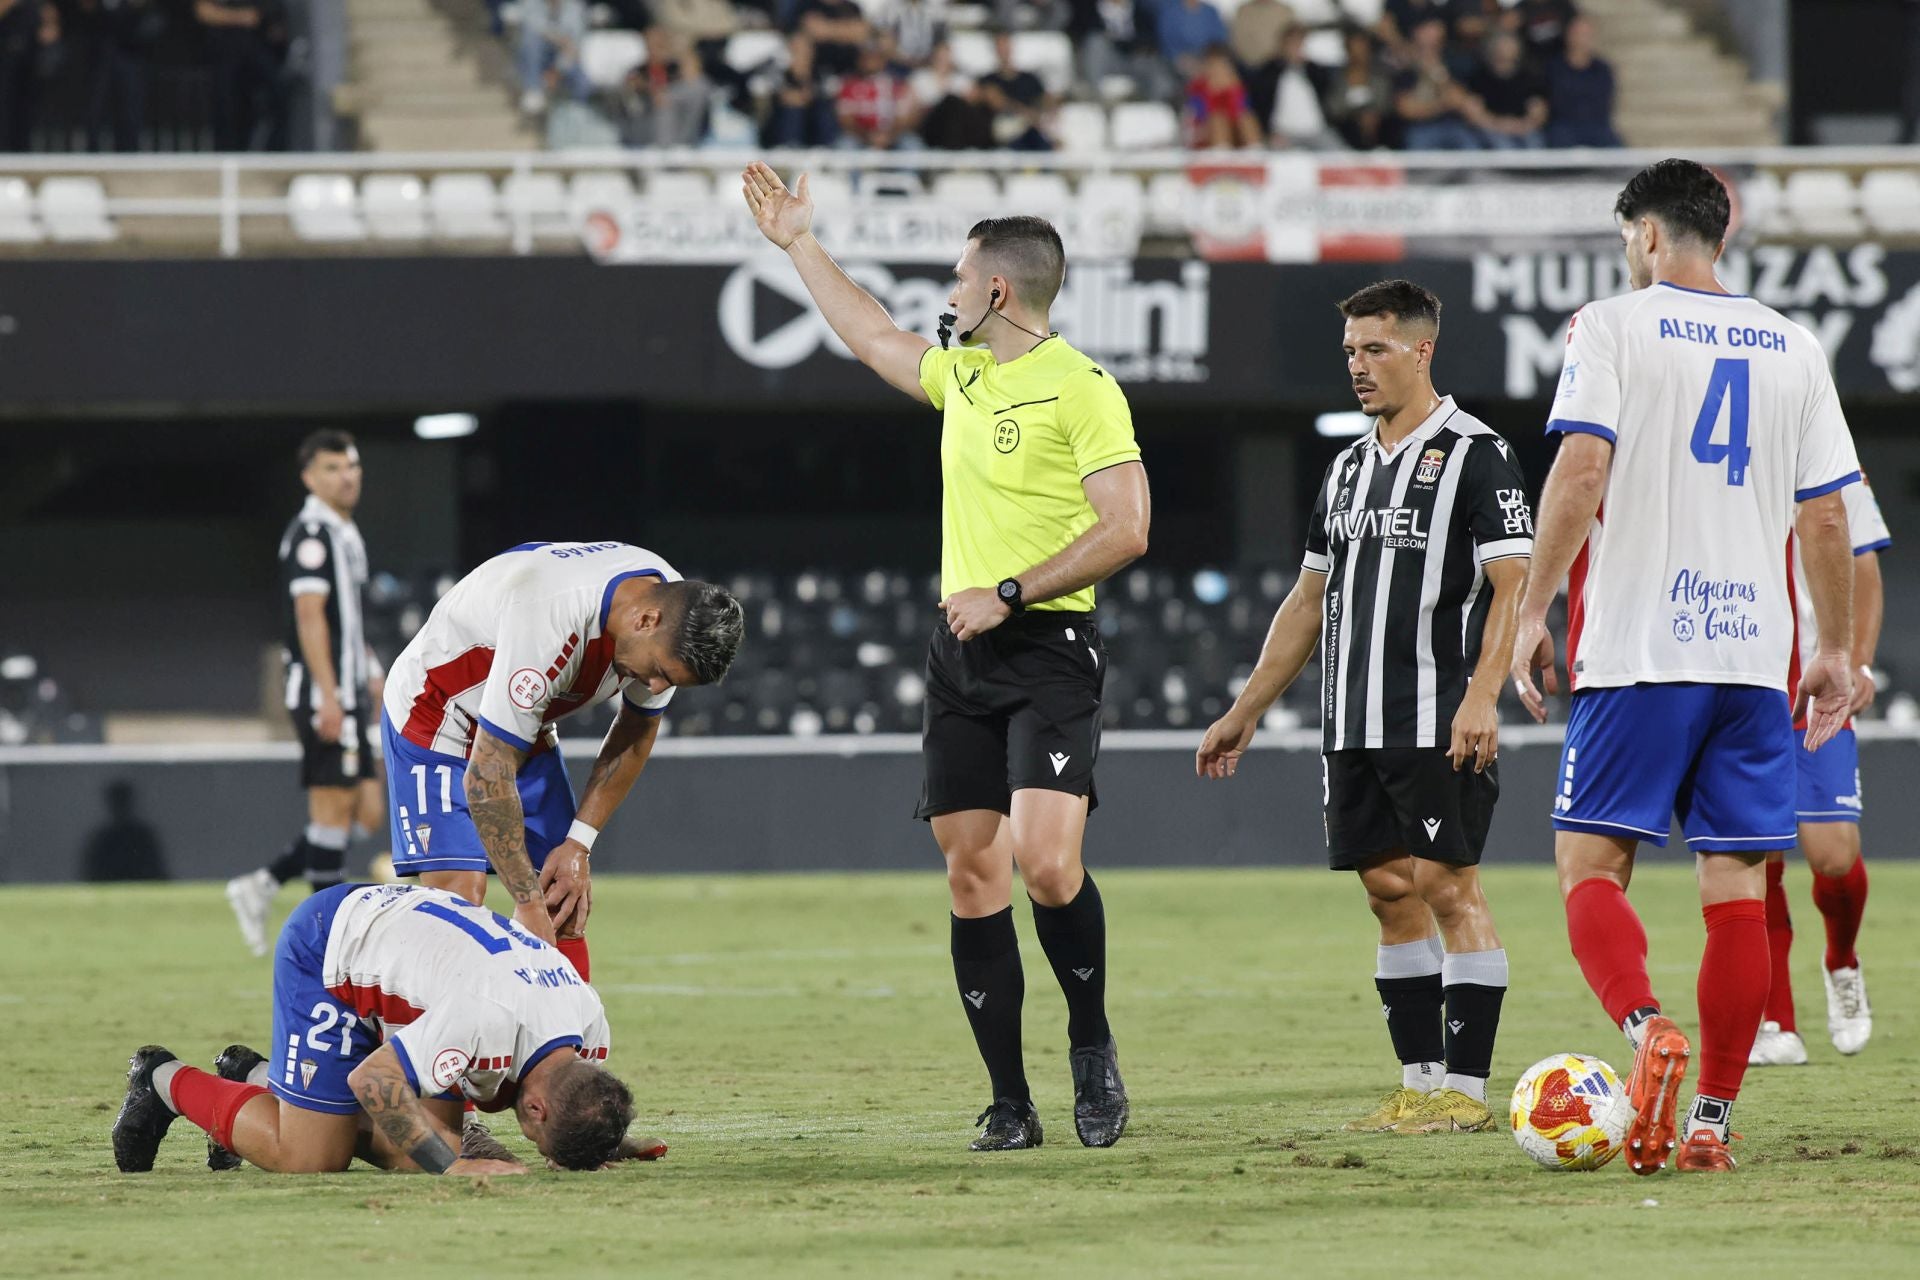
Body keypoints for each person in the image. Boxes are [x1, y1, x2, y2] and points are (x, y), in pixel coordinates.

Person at [742, 161, 1150, 1151]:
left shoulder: (1083, 390)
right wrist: (800, 244)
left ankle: (1091, 1043)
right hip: (960, 657)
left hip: (1047, 648)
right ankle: (1010, 1101)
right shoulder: (961, 372)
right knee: (975, 875)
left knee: (1048, 864)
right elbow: (874, 334)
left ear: (999, 290)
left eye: (961, 279)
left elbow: (1128, 526)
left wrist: (1009, 589)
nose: (950, 293)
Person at [1512, 159, 1861, 1174]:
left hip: (1638, 648)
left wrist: (1533, 609)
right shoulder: (1795, 345)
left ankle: (1644, 1029)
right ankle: (1709, 1117)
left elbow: (1581, 469)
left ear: (1650, 235)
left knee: (1589, 865)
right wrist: (1832, 651)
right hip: (1754, 660)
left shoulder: (1613, 326)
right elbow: (1827, 513)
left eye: (1631, 240)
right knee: (1739, 886)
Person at [1197, 279, 1530, 1136]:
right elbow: (1309, 600)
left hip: (1434, 714)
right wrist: (1247, 708)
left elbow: (1512, 589)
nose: (1358, 366)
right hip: (1350, 722)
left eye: (1374, 348)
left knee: (1450, 889)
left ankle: (1467, 1092)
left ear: (1422, 350)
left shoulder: (1477, 453)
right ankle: (1419, 1086)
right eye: (1349, 351)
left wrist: (1483, 696)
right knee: (1388, 891)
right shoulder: (1346, 467)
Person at [112, 882, 661, 1175]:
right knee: (312, 1158)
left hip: (413, 959)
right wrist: (451, 1171)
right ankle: (161, 1080)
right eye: (541, 1140)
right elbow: (373, 1083)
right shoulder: (485, 1017)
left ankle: (264, 1079)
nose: (534, 1147)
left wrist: (602, 1137)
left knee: (426, 1146)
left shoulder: (587, 1020)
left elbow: (574, 1094)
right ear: (538, 1110)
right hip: (330, 949)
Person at [379, 542, 742, 983]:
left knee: (563, 898)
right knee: (460, 903)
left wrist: (577, 845)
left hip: (521, 723)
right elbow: (486, 777)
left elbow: (635, 731)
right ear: (645, 620)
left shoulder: (667, 610)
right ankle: (420, 1041)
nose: (653, 685)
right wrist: (527, 905)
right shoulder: (551, 617)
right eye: (659, 672)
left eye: (668, 682)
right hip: (437, 713)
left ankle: (566, 1048)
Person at [1751, 479, 1890, 1065]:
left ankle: (1841, 961)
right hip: (1746, 686)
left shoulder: (1837, 469)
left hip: (1817, 690)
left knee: (1833, 854)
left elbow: (1866, 570)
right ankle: (1777, 1019)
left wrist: (1857, 660)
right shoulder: (1728, 458)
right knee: (1755, 854)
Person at [227, 431, 381, 958]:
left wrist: (371, 670)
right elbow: (310, 615)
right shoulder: (313, 533)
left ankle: (264, 883)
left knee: (368, 811)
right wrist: (330, 695)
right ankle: (331, 947)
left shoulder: (343, 532)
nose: (347, 476)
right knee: (334, 812)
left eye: (352, 466)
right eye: (334, 467)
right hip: (325, 694)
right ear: (310, 477)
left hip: (349, 691)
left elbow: (347, 619)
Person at [1392, 15, 1478, 150]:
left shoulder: (1452, 62)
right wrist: (1441, 105)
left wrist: (1437, 74)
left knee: (1470, 147)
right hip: (1419, 127)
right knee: (1417, 144)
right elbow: (1406, 110)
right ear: (1416, 33)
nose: (1431, 36)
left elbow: (1459, 99)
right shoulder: (1406, 69)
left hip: (1453, 125)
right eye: (1427, 30)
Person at [1543, 14, 1618, 147]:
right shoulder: (1553, 67)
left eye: (1586, 34)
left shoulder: (1602, 69)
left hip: (1597, 127)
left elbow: (1604, 102)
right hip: (1562, 127)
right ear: (1568, 35)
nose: (1581, 39)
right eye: (1577, 33)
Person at [1465, 31, 1545, 149]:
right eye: (1502, 46)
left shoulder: (1529, 78)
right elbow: (1474, 113)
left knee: (1535, 143)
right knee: (1503, 145)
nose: (1505, 51)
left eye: (1509, 46)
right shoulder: (1478, 78)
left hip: (1523, 128)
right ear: (1492, 49)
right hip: (1491, 128)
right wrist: (1499, 125)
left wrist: (1522, 125)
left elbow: (1538, 111)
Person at [81, 780, 169, 883]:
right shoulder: (102, 840)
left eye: (122, 799)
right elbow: (92, 874)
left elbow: (157, 870)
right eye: (118, 800)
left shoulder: (143, 837)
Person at [977, 29, 1051, 150]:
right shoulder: (987, 80)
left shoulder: (1030, 79)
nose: (1004, 50)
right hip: (1004, 135)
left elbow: (1045, 101)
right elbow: (994, 104)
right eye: (1000, 46)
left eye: (1006, 45)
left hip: (1031, 129)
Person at [837, 40, 917, 149]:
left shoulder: (897, 85)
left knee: (911, 144)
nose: (869, 62)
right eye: (866, 57)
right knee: (846, 145)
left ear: (882, 61)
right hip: (860, 137)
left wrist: (888, 136)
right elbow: (846, 120)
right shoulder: (848, 86)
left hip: (891, 136)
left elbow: (903, 119)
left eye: (874, 58)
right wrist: (867, 136)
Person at [517, 0, 592, 115]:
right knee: (531, 41)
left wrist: (558, 70)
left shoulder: (575, 6)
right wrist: (560, 39)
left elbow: (576, 44)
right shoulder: (531, 3)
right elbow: (535, 27)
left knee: (584, 81)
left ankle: (579, 115)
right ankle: (534, 89)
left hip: (566, 59)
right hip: (541, 59)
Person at [1185, 44, 1260, 149]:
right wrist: (1212, 93)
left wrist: (1232, 92)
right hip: (1203, 133)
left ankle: (1254, 148)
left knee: (1246, 118)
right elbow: (1197, 117)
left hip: (1233, 134)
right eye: (1213, 67)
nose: (1218, 71)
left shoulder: (1236, 88)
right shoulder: (1197, 89)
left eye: (1222, 67)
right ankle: (1221, 151)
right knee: (1218, 119)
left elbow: (1239, 111)